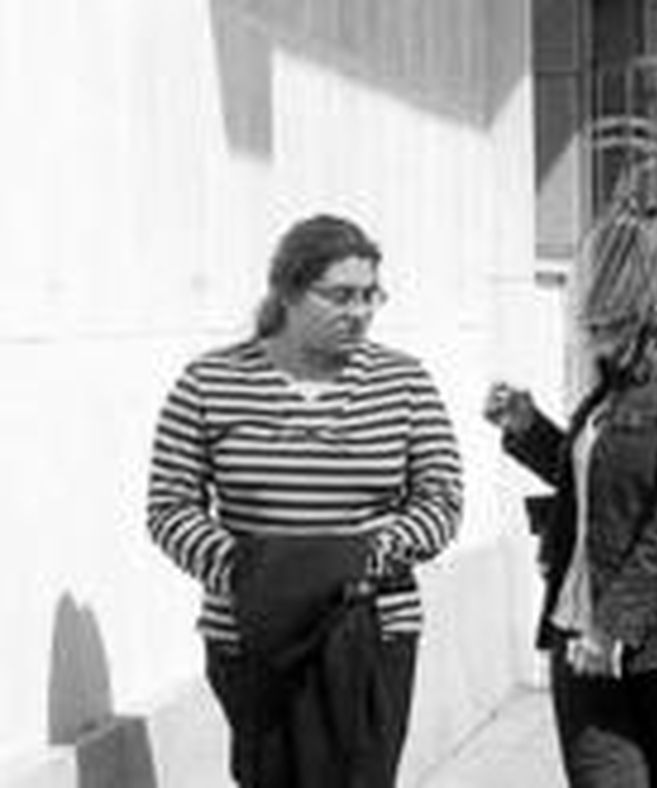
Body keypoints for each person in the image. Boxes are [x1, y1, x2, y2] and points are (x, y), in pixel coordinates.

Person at [146, 214, 463, 786]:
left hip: (372, 627)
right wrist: (250, 572)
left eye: (371, 296)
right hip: (252, 635)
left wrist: (364, 558)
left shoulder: (404, 382)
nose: (360, 311)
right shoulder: (209, 382)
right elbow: (170, 507)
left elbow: (440, 500)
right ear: (289, 292)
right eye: (341, 296)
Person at [485, 207, 657, 787]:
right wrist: (530, 430)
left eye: (605, 262)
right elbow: (602, 490)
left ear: (642, 275)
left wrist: (617, 622)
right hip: (582, 631)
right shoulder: (621, 379)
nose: (591, 278)